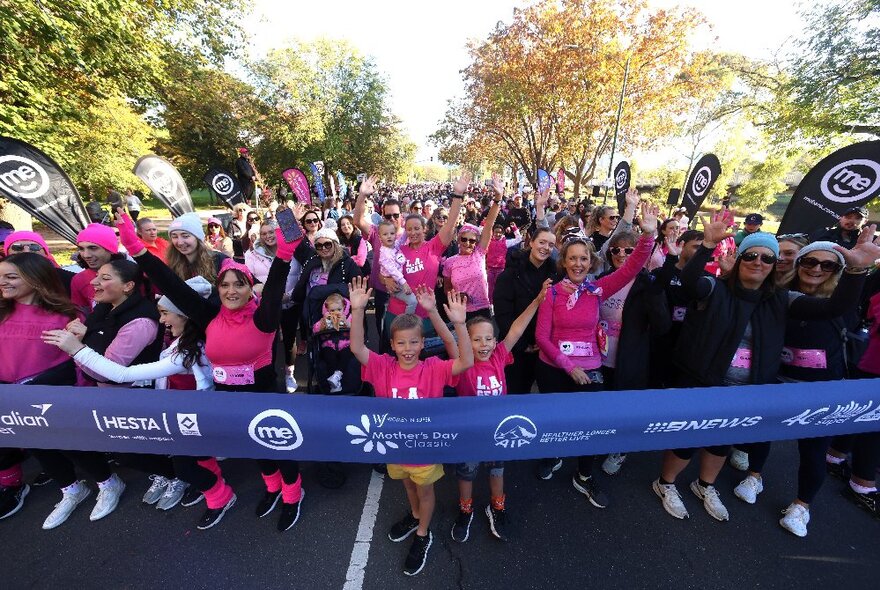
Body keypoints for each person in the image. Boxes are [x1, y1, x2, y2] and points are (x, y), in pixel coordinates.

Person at [651, 212, 880, 522]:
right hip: (704, 382)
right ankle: (665, 484)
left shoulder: (781, 299)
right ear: (742, 256)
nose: (758, 261)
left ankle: (705, 485)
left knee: (722, 442)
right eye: (751, 254)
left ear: (776, 266)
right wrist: (706, 245)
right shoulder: (714, 287)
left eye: (767, 258)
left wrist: (855, 270)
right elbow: (689, 283)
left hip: (747, 389)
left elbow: (833, 307)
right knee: (689, 440)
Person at [116, 211, 307, 532]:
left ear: (250, 289)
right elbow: (171, 284)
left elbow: (275, 283)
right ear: (217, 289)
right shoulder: (209, 317)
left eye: (239, 285)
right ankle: (272, 488)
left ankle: (292, 493)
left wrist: (287, 250)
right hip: (228, 401)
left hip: (264, 398)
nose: (231, 290)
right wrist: (135, 247)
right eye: (225, 285)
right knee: (251, 446)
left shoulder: (264, 318)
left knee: (276, 446)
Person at [41, 276, 238, 529]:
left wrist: (77, 350)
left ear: (185, 316)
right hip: (183, 416)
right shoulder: (181, 343)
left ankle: (220, 497)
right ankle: (211, 484)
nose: (162, 320)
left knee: (186, 468)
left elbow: (122, 374)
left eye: (166, 313)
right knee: (197, 461)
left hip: (192, 419)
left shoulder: (188, 353)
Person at [534, 202, 659, 505]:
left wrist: (648, 234)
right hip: (554, 367)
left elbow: (632, 266)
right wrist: (567, 366)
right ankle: (553, 454)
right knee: (555, 419)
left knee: (592, 424)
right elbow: (541, 336)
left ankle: (584, 475)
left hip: (590, 368)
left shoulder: (597, 289)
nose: (578, 264)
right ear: (563, 261)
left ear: (591, 263)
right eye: (573, 258)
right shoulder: (550, 292)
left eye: (584, 259)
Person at [348, 277, 473, 576]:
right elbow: (355, 347)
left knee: (426, 490)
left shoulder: (432, 368)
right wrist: (356, 310)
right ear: (391, 345)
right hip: (395, 448)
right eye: (401, 342)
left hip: (425, 450)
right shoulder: (382, 367)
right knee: (407, 484)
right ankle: (415, 514)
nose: (408, 348)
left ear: (422, 343)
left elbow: (466, 361)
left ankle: (423, 533)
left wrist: (458, 323)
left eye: (414, 342)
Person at [37, 258, 163, 529]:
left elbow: (109, 370)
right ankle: (161, 473)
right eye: (97, 276)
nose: (94, 282)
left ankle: (170, 476)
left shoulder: (139, 321)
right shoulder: (105, 307)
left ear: (128, 286)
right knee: (128, 448)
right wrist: (85, 336)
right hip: (108, 395)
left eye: (105, 278)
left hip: (132, 398)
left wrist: (75, 347)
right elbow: (100, 343)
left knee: (135, 448)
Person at [451, 282, 548, 543]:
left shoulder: (498, 356)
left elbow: (516, 328)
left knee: (497, 471)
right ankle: (465, 509)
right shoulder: (464, 362)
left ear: (495, 341)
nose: (483, 344)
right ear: (467, 342)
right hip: (471, 432)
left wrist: (538, 300)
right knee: (466, 474)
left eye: (488, 338)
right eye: (476, 339)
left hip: (498, 430)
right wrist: (457, 322)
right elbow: (452, 338)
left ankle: (497, 506)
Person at [0, 253, 79, 520]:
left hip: (53, 397)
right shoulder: (2, 312)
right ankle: (70, 489)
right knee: (39, 448)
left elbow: (78, 362)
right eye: (0, 277)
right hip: (12, 401)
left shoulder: (65, 316)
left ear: (35, 280)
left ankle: (105, 482)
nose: (3, 283)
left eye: (11, 277)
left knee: (72, 446)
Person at [494, 227, 558, 394]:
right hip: (515, 348)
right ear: (531, 242)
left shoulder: (556, 274)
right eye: (542, 242)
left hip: (544, 347)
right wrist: (522, 345)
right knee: (516, 392)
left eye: (551, 245)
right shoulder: (510, 274)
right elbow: (503, 314)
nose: (546, 248)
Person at [245, 219, 303, 392]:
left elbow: (301, 274)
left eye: (271, 232)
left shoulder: (294, 251)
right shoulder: (252, 255)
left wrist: (292, 295)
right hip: (267, 306)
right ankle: (270, 373)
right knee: (268, 341)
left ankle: (289, 373)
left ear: (278, 233)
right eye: (264, 233)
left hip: (290, 302)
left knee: (290, 339)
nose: (268, 236)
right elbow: (249, 280)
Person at [443, 174, 504, 320]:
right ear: (459, 239)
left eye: (472, 241)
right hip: (461, 312)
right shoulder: (450, 262)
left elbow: (489, 223)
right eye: (464, 239)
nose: (468, 243)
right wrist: (457, 297)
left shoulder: (479, 253)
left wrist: (498, 198)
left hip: (482, 309)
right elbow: (447, 289)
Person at [3, 231, 74, 295]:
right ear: (7, 253)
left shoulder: (70, 279)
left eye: (34, 247)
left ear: (45, 253)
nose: (27, 251)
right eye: (17, 247)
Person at [163, 212, 227, 282]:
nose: (180, 242)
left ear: (198, 238)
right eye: (174, 237)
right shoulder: (173, 265)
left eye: (185, 236)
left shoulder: (219, 260)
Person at [70, 224, 120, 311]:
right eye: (81, 249)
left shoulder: (129, 272)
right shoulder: (79, 279)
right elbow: (82, 314)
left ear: (110, 249)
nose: (86, 255)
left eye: (93, 248)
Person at [312, 292, 355, 393]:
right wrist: (322, 326)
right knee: (329, 357)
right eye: (332, 310)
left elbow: (357, 328)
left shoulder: (349, 317)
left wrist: (347, 324)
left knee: (346, 354)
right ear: (327, 309)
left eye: (339, 309)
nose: (336, 312)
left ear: (344, 307)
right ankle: (334, 384)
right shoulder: (324, 319)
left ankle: (337, 375)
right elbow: (314, 329)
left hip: (345, 344)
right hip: (329, 345)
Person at [377, 220, 418, 314]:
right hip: (395, 283)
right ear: (380, 238)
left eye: (392, 233)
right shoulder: (384, 253)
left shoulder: (394, 245)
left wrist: (407, 227)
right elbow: (392, 270)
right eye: (385, 234)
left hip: (399, 280)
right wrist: (403, 283)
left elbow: (402, 240)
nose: (389, 236)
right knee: (412, 301)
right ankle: (407, 321)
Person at [486, 222, 523, 302]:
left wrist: (515, 229)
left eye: (500, 232)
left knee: (500, 286)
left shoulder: (505, 242)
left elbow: (519, 239)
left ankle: (499, 301)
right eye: (496, 232)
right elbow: (480, 236)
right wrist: (484, 224)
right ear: (493, 232)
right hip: (490, 269)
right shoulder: (488, 241)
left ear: (502, 233)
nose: (498, 234)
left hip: (500, 269)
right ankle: (490, 304)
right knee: (489, 287)